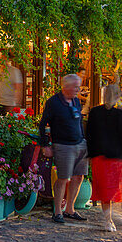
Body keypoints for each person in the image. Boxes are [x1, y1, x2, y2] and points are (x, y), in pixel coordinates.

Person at [39, 73, 88, 224]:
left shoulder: (75, 101)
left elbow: (79, 120)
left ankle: (70, 209)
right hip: (63, 145)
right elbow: (43, 124)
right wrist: (45, 145)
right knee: (63, 178)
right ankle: (57, 211)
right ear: (66, 86)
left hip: (79, 143)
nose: (78, 89)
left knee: (79, 176)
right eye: (75, 86)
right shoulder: (54, 102)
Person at [86, 84, 122, 232]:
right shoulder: (120, 114)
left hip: (99, 156)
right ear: (118, 96)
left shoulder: (94, 112)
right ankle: (121, 216)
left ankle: (108, 220)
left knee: (105, 191)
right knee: (115, 188)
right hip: (115, 157)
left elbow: (89, 134)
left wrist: (89, 154)